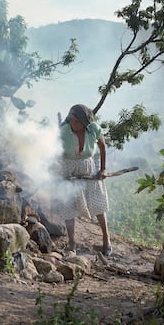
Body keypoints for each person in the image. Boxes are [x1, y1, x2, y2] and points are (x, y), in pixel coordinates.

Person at [57, 104, 111, 256]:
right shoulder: (64, 132)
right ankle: (72, 242)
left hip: (89, 170)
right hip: (68, 170)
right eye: (71, 120)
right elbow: (52, 149)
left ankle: (106, 239)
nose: (73, 124)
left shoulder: (93, 129)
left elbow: (102, 146)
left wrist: (103, 169)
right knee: (68, 206)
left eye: (77, 121)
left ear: (85, 122)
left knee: (98, 203)